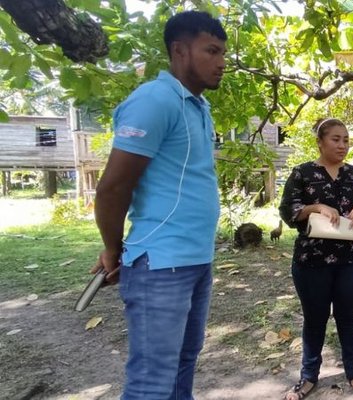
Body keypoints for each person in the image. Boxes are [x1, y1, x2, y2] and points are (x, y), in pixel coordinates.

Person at [91, 11, 227, 399]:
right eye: (212, 51)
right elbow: (113, 187)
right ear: (180, 51)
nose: (221, 63)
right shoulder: (155, 100)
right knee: (152, 380)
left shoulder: (197, 106)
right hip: (160, 264)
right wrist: (113, 249)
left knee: (184, 362)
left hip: (195, 259)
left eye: (224, 54)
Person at [279, 118, 353, 399]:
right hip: (312, 262)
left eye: (346, 140)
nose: (342, 145)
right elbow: (288, 211)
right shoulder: (303, 173)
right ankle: (308, 377)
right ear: (320, 142)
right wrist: (317, 207)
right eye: (336, 139)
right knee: (315, 318)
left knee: (348, 317)